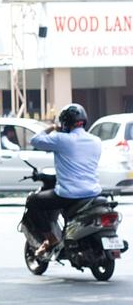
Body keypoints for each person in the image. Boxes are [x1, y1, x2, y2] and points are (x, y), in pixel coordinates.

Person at [25, 104, 101, 258]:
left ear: (65, 123)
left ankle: (51, 240)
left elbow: (35, 140)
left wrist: (52, 127)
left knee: (33, 201)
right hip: (93, 193)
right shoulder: (96, 140)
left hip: (68, 195)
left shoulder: (62, 139)